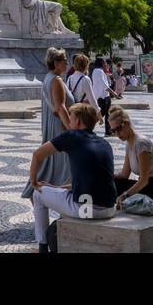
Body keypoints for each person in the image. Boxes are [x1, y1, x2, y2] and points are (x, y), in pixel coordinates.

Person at [26, 103, 117, 253]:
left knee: (38, 194)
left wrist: (34, 182)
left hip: (86, 210)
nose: (68, 123)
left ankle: (42, 247)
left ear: (79, 122)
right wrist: (58, 188)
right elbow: (91, 179)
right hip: (109, 208)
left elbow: (37, 155)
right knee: (61, 195)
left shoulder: (72, 136)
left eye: (71, 119)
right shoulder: (104, 143)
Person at [22, 48, 74, 199]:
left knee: (51, 163)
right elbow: (60, 107)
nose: (67, 63)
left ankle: (37, 190)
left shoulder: (48, 77)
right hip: (60, 127)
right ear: (56, 63)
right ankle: (49, 194)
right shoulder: (56, 80)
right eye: (64, 60)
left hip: (53, 125)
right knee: (64, 166)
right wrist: (71, 129)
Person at [108, 103, 153, 203]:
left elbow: (144, 180)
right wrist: (106, 175)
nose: (116, 134)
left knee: (113, 188)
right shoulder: (129, 143)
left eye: (118, 129)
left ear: (126, 123)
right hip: (147, 185)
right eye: (113, 131)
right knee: (110, 183)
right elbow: (124, 175)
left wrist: (125, 195)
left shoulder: (141, 143)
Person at [90, 56, 113, 135]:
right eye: (104, 62)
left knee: (107, 113)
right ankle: (89, 126)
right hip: (103, 96)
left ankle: (108, 131)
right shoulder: (99, 71)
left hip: (102, 95)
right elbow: (104, 85)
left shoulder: (96, 71)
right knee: (102, 113)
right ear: (101, 63)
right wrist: (113, 93)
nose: (105, 63)